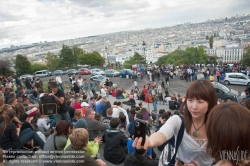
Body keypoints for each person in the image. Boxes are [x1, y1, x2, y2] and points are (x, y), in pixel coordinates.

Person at [133, 80, 217, 165]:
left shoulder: (219, 126)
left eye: (200, 101)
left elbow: (228, 157)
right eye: (190, 100)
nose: (194, 106)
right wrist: (151, 141)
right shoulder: (178, 121)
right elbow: (163, 133)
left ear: (210, 102)